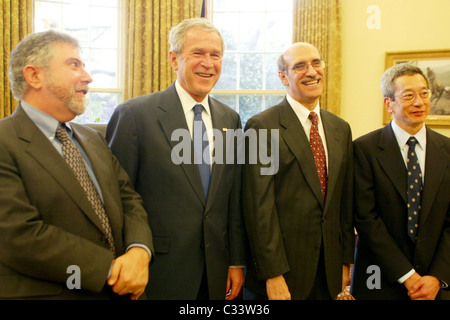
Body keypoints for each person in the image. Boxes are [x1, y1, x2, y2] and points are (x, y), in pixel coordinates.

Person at [0, 30, 153, 300]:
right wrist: (111, 270)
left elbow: (129, 199)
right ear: (34, 76)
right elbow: (17, 236)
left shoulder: (92, 138)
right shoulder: (5, 141)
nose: (88, 77)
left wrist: (139, 251)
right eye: (74, 65)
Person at [106, 18, 247, 300]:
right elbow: (117, 200)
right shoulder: (134, 115)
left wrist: (235, 260)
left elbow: (233, 196)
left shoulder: (230, 119)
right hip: (158, 272)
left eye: (215, 55)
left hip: (217, 273)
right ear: (174, 59)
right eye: (197, 53)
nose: (208, 63)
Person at [242, 42, 354, 300]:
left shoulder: (340, 128)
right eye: (300, 66)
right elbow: (259, 208)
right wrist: (273, 274)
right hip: (282, 275)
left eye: (316, 63)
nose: (312, 72)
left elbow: (344, 202)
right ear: (283, 76)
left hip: (329, 273)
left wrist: (345, 261)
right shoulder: (261, 126)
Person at [351, 63, 450, 300]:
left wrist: (437, 277)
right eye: (408, 96)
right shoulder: (364, 149)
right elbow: (366, 218)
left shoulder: (447, 150)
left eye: (424, 93)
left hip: (436, 284)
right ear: (389, 104)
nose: (419, 102)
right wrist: (408, 276)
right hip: (379, 280)